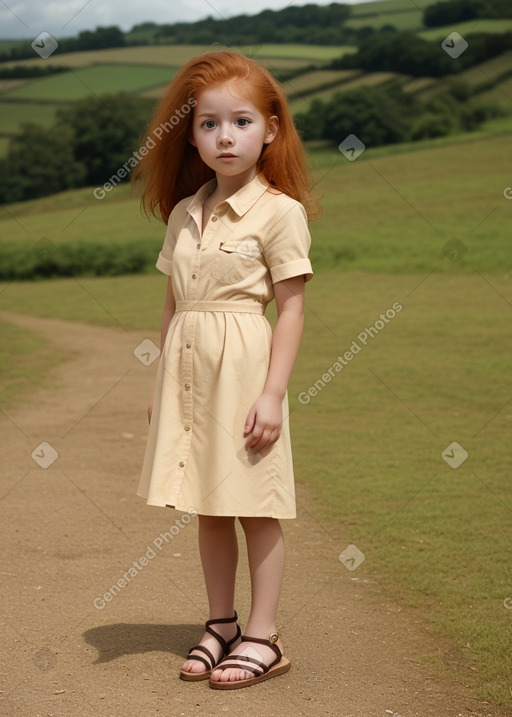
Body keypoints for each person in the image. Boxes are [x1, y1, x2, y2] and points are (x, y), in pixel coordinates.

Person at [132, 49, 320, 690]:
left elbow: (291, 311)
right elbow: (172, 304)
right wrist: (161, 383)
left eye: (241, 121)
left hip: (245, 374)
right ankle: (223, 624)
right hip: (188, 372)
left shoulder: (279, 211)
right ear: (192, 134)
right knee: (207, 506)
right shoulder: (186, 212)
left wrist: (273, 394)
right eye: (209, 124)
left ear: (271, 128)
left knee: (254, 506)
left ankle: (265, 637)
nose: (225, 136)